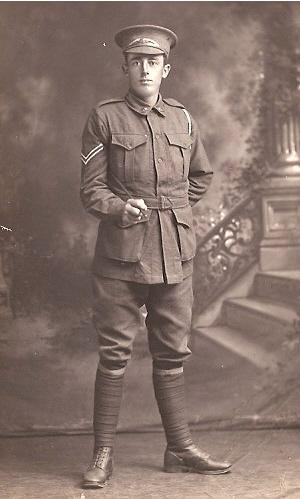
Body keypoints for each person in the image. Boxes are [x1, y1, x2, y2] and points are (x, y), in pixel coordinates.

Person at [80, 24, 231, 489]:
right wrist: (120, 207)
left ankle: (179, 447)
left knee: (171, 352)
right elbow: (91, 191)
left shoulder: (184, 120)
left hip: (174, 254)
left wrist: (173, 209)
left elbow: (201, 175)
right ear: (125, 67)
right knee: (115, 353)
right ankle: (103, 455)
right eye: (136, 61)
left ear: (166, 69)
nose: (145, 69)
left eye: (153, 62)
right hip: (121, 256)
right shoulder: (104, 118)